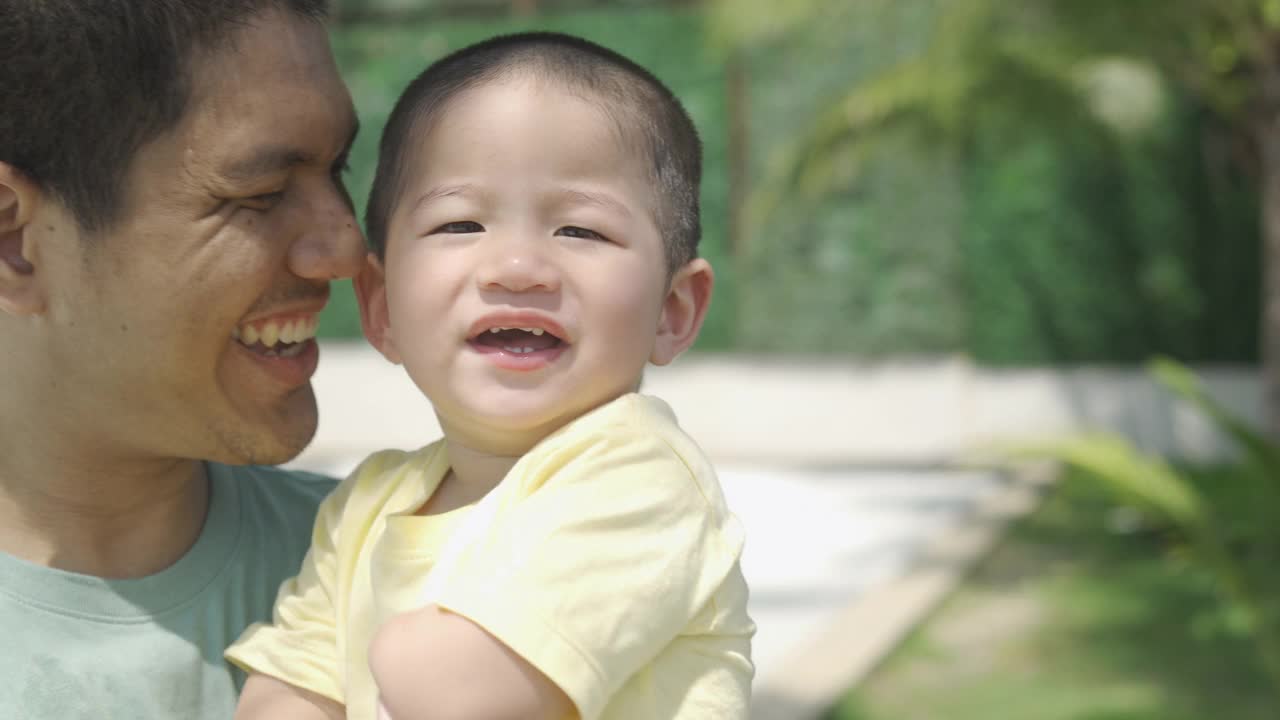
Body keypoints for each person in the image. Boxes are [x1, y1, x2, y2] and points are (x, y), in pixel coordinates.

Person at [227, 31, 755, 720]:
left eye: (580, 232)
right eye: (460, 223)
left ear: (673, 311)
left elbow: (461, 695)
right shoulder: (367, 505)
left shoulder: (642, 480)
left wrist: (386, 658)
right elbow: (283, 696)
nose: (515, 267)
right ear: (382, 308)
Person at [0, 2, 365, 717]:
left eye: (340, 168)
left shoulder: (405, 582)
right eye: (259, 196)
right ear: (15, 238)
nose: (346, 250)